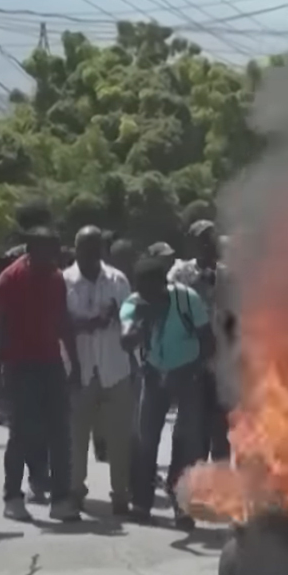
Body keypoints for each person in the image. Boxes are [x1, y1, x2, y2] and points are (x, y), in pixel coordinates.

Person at [0, 225, 82, 523]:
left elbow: (63, 321)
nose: (53, 256)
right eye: (47, 249)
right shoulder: (10, 279)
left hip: (50, 362)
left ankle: (60, 499)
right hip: (19, 365)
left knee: (60, 433)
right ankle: (12, 496)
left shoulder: (56, 278)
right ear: (31, 249)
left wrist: (75, 363)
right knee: (22, 432)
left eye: (55, 250)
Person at [123, 251, 215, 530]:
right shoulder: (134, 305)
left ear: (164, 284)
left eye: (152, 291)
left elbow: (208, 342)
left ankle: (182, 506)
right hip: (153, 375)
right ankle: (141, 502)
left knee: (186, 443)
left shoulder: (188, 300)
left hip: (187, 374)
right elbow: (125, 341)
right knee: (146, 441)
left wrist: (191, 373)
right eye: (141, 291)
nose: (147, 296)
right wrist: (140, 323)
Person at [64, 226, 134, 516]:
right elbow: (60, 323)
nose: (91, 254)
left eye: (96, 248)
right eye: (85, 247)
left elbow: (132, 315)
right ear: (76, 248)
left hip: (115, 368)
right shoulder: (65, 280)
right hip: (79, 371)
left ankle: (120, 495)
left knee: (119, 437)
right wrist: (89, 323)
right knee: (76, 437)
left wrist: (120, 317)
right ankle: (75, 491)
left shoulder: (118, 280)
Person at [167, 220, 231, 462]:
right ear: (194, 244)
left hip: (220, 362)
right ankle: (189, 483)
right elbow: (171, 306)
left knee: (220, 429)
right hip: (190, 361)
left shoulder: (226, 274)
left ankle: (222, 489)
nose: (209, 245)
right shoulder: (180, 273)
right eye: (203, 239)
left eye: (212, 239)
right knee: (191, 427)